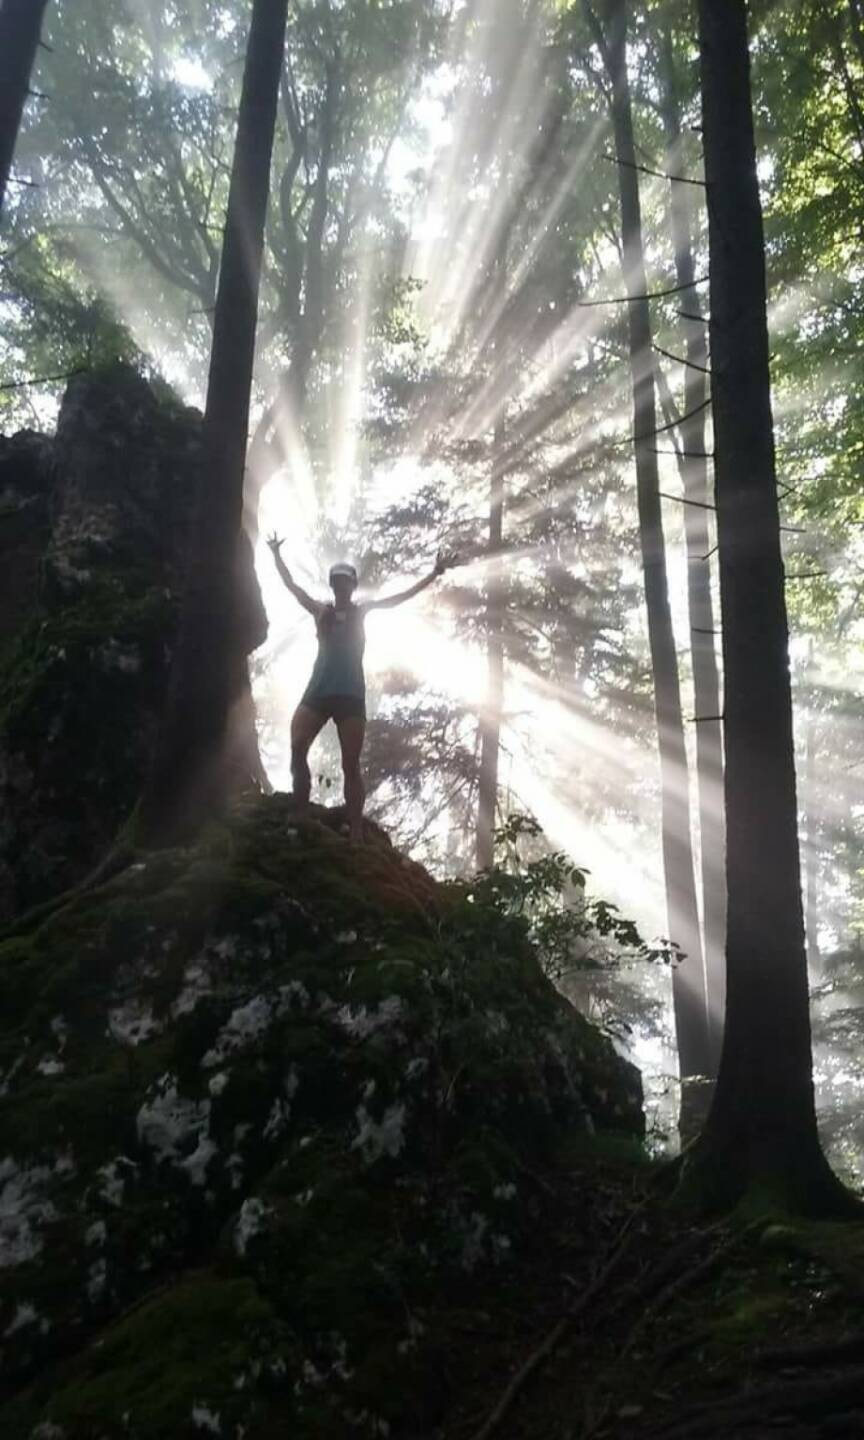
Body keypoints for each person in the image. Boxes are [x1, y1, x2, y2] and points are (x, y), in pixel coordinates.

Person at [267, 537, 456, 841]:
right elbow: (293, 588)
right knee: (297, 745)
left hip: (351, 695)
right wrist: (276, 555)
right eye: (337, 581)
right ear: (332, 584)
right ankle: (299, 811)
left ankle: (355, 831)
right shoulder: (321, 612)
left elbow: (399, 598)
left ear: (352, 586)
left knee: (350, 764)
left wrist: (434, 574)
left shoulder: (361, 612)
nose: (341, 586)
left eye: (345, 582)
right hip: (318, 690)